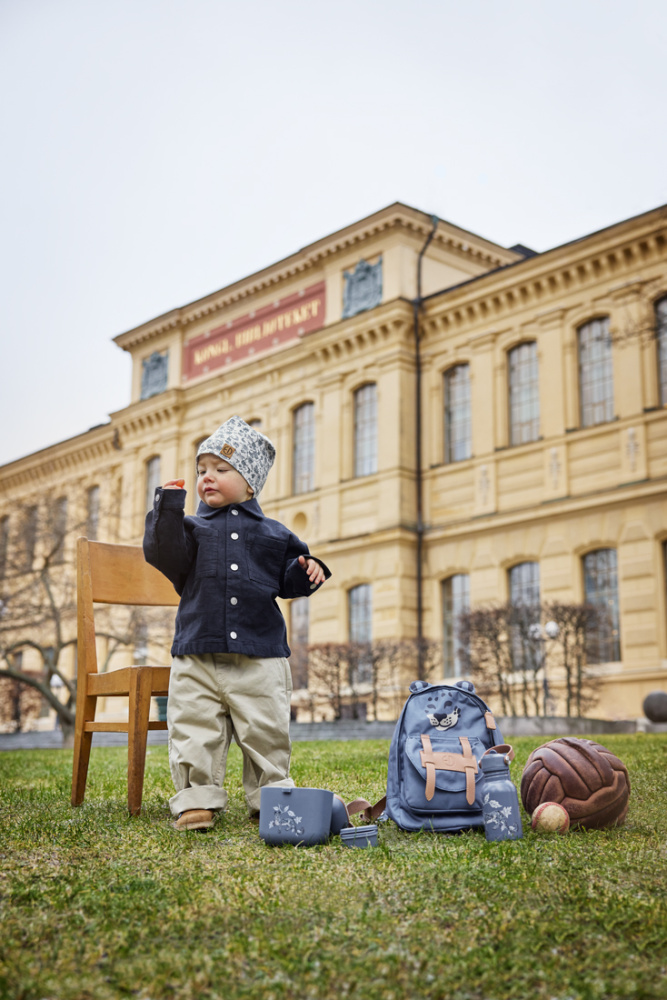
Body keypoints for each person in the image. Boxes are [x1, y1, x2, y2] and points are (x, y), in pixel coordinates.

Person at [143, 415, 331, 831]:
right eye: (201, 470)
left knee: (266, 730)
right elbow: (162, 552)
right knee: (193, 728)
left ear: (249, 482)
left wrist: (307, 568)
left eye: (220, 469)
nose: (207, 477)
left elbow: (291, 577)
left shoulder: (274, 533)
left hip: (259, 656)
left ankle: (272, 797)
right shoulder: (189, 529)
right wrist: (169, 508)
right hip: (197, 654)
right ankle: (196, 799)